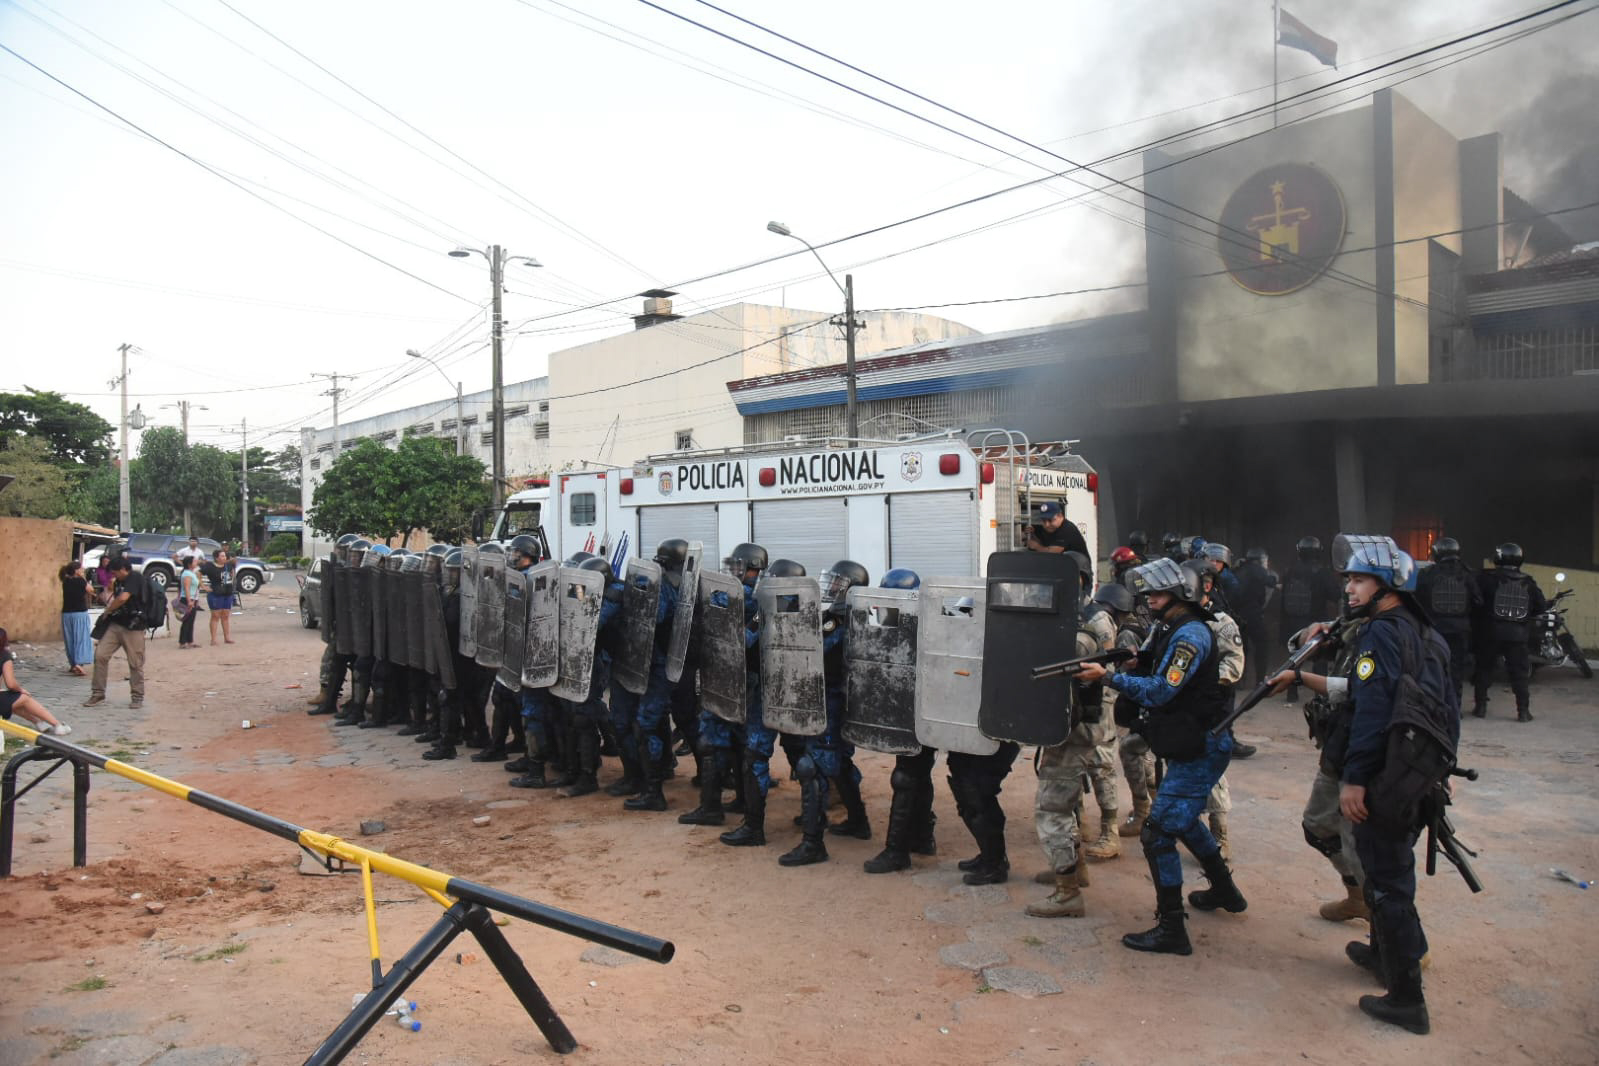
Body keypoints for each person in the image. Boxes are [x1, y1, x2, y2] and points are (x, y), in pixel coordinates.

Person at [1266, 535, 1457, 1035]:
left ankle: (1406, 1000)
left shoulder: (1380, 635)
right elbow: (1446, 710)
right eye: (1349, 579)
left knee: (1387, 879)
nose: (1349, 589)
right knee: (1383, 869)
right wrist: (1439, 770)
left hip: (1383, 772)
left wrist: (1354, 780)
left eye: (1359, 580)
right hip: (1412, 769)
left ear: (1388, 586)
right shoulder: (1425, 633)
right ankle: (1380, 953)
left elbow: (1372, 709)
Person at [1080, 558, 1245, 956]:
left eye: (1157, 593)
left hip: (1203, 747)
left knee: (1158, 834)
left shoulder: (1190, 636)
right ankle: (1225, 890)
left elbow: (1160, 691)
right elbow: (1156, 665)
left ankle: (1172, 928)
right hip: (1193, 742)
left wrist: (1109, 677)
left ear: (1181, 595)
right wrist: (1133, 660)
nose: (1149, 599)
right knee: (1183, 821)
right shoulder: (1172, 627)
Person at [1026, 560, 1117, 917]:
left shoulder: (1092, 622)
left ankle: (1068, 893)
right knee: (1069, 803)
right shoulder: (1073, 616)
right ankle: (1073, 871)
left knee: (1052, 807)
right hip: (1068, 724)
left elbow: (1088, 670)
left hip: (1079, 727)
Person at [780, 559, 873, 867]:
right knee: (840, 764)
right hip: (839, 703)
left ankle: (812, 843)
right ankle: (858, 821)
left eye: (837, 583)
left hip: (831, 703)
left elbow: (814, 649)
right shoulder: (852, 617)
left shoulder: (841, 620)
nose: (831, 587)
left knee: (813, 768)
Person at [861, 569, 940, 875]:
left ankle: (897, 851)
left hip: (925, 707)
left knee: (907, 776)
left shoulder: (936, 615)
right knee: (918, 773)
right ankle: (922, 836)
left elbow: (969, 613)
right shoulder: (886, 616)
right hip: (908, 707)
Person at [1471, 542, 1545, 722]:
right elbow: (1540, 606)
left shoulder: (1486, 579)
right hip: (1517, 636)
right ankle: (1523, 712)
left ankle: (1480, 707)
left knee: (1484, 670)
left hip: (1490, 633)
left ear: (1498, 558)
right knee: (1519, 674)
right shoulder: (1528, 582)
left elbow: (1475, 602)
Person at [1416, 537, 1479, 706]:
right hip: (1460, 630)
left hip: (1435, 629)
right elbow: (1478, 601)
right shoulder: (1468, 574)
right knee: (1456, 669)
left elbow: (1417, 601)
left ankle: (1433, 704)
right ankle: (1455, 706)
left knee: (1433, 666)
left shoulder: (1427, 574)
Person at [1279, 536, 1341, 704]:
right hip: (1316, 621)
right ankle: (1319, 696)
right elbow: (1335, 595)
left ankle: (1291, 694)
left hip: (1293, 621)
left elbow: (1283, 598)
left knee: (1295, 657)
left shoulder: (1290, 571)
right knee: (1320, 659)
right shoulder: (1322, 572)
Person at [85, 555, 150, 709]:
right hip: (116, 623)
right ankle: (98, 693)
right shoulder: (120, 581)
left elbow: (122, 598)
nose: (113, 576)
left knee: (135, 662)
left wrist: (107, 611)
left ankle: (137, 696)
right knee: (100, 655)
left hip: (133, 627)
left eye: (115, 572)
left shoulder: (135, 578)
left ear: (122, 569)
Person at [1, 628, 73, 736]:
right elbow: (11, 684)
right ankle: (57, 725)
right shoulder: (4, 656)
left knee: (11, 700)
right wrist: (21, 690)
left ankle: (39, 723)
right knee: (24, 698)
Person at [1234, 547, 1278, 688]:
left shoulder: (1239, 569)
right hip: (1252, 614)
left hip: (1237, 614)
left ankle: (1240, 680)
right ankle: (1260, 681)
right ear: (1259, 560)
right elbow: (1270, 581)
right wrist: (1274, 579)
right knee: (1262, 645)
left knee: (1241, 648)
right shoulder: (1256, 569)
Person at [59, 560, 93, 675]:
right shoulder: (80, 581)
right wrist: (83, 577)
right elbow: (91, 590)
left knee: (70, 639)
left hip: (66, 614)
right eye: (81, 568)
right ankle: (79, 663)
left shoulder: (65, 581)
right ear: (76, 570)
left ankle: (73, 664)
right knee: (81, 638)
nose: (83, 570)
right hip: (79, 613)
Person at [1023, 501, 1089, 556]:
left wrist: (1036, 546)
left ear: (1060, 516)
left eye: (1050, 520)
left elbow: (1052, 552)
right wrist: (1032, 535)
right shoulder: (1050, 529)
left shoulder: (1067, 529)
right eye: (1044, 521)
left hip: (1078, 566)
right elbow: (1044, 546)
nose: (1047, 525)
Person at [201, 548, 238, 645]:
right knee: (215, 616)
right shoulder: (210, 566)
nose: (224, 558)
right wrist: (203, 586)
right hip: (216, 594)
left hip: (227, 593)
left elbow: (233, 571)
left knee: (225, 615)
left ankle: (227, 637)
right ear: (216, 558)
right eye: (222, 556)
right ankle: (213, 639)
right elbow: (198, 573)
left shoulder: (228, 565)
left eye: (225, 556)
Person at [175, 555, 204, 649]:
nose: (196, 563)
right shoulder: (187, 574)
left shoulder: (191, 573)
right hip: (187, 599)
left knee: (191, 621)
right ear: (189, 564)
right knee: (187, 621)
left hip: (192, 598)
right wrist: (189, 601)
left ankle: (190, 641)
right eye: (194, 561)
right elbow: (187, 588)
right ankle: (182, 642)